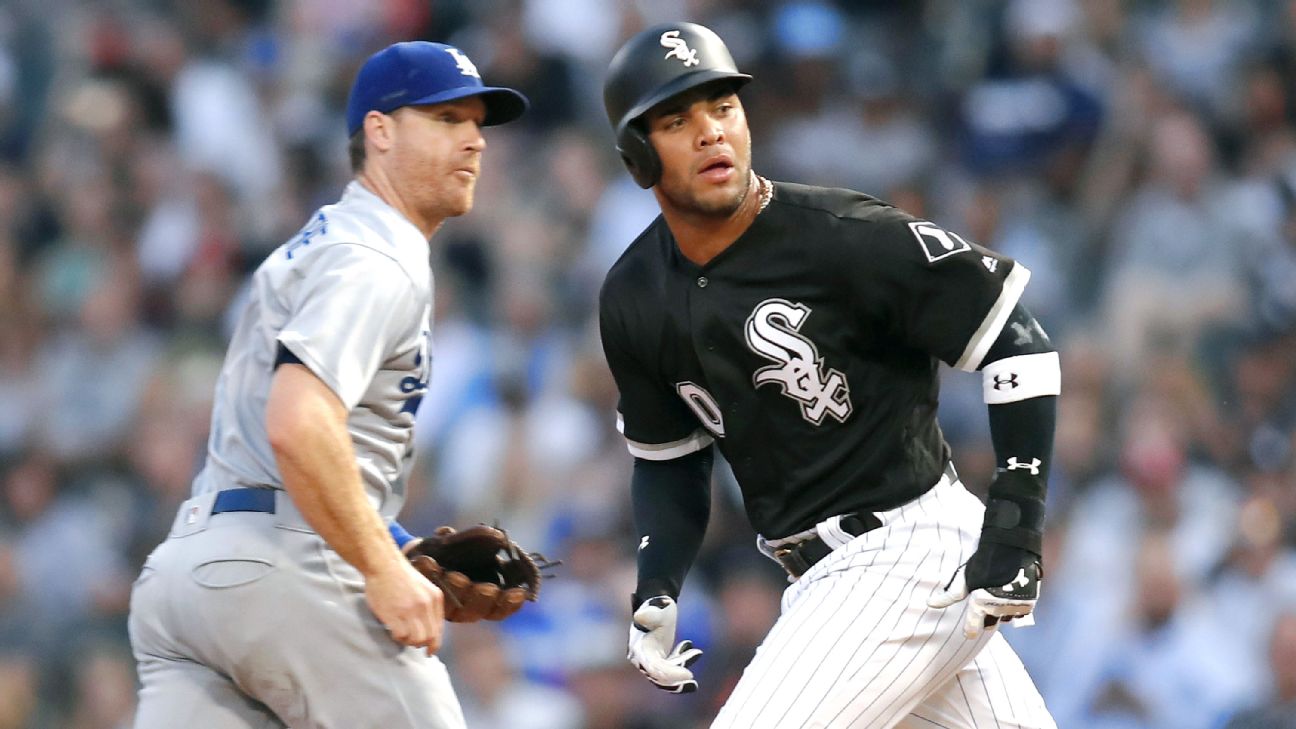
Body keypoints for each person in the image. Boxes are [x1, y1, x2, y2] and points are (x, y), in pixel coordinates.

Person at [598, 22, 1059, 728]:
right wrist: (658, 584)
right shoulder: (633, 295)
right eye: (677, 119)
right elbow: (670, 458)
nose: (711, 133)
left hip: (907, 546)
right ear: (636, 153)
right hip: (826, 578)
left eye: (723, 108)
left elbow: (1018, 342)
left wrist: (1018, 525)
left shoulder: (839, 234)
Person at [127, 41, 527, 728]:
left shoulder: (322, 242)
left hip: (191, 573)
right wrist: (380, 563)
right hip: (283, 571)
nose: (473, 141)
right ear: (379, 131)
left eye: (476, 123)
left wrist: (395, 542)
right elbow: (297, 422)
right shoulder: (376, 256)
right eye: (446, 119)